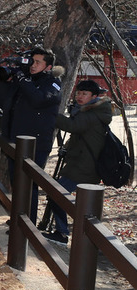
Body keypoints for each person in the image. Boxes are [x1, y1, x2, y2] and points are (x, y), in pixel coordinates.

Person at [0, 46, 62, 224]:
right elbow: (1, 101)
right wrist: (7, 80)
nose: (33, 65)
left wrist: (23, 79)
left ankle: (28, 223)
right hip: (14, 139)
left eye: (38, 62)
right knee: (17, 183)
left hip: (36, 143)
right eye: (32, 61)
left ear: (48, 66)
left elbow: (38, 99)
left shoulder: (53, 83)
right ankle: (17, 217)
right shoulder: (23, 79)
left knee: (30, 185)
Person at [43, 80, 112, 244]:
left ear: (94, 96)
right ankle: (78, 235)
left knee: (56, 195)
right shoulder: (92, 111)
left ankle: (62, 233)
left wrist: (52, 113)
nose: (79, 97)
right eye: (78, 93)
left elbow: (72, 126)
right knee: (65, 198)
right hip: (82, 163)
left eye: (84, 94)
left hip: (83, 166)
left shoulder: (91, 114)